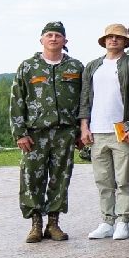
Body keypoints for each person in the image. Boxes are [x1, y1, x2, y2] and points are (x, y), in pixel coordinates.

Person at [12, 22, 86, 244]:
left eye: (58, 36)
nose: (53, 39)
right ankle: (35, 223)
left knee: (60, 178)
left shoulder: (75, 67)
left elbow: (84, 100)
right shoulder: (28, 67)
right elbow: (17, 101)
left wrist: (81, 129)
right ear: (41, 40)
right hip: (35, 133)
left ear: (65, 41)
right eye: (49, 35)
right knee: (32, 178)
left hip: (65, 133)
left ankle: (53, 223)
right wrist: (20, 133)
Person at [79, 23, 129, 240]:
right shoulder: (93, 66)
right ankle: (106, 221)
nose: (113, 40)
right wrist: (84, 126)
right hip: (97, 130)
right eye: (110, 37)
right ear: (104, 41)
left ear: (125, 41)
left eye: (118, 37)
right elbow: (85, 97)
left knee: (124, 179)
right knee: (103, 180)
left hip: (121, 129)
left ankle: (123, 220)